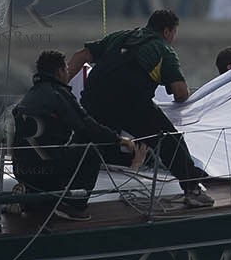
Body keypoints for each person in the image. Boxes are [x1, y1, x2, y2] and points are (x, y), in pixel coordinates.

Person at [68, 9, 214, 208]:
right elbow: (180, 92)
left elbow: (79, 56)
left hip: (94, 100)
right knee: (170, 141)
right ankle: (192, 190)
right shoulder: (163, 50)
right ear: (168, 31)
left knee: (82, 142)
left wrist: (61, 86)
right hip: (130, 104)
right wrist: (180, 94)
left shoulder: (120, 36)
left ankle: (58, 186)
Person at [12, 50, 140, 221]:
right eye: (66, 69)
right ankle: (73, 205)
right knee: (91, 152)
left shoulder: (31, 94)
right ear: (59, 72)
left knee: (58, 153)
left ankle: (31, 199)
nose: (68, 73)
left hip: (22, 168)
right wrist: (119, 140)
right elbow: (85, 125)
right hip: (46, 165)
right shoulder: (58, 94)